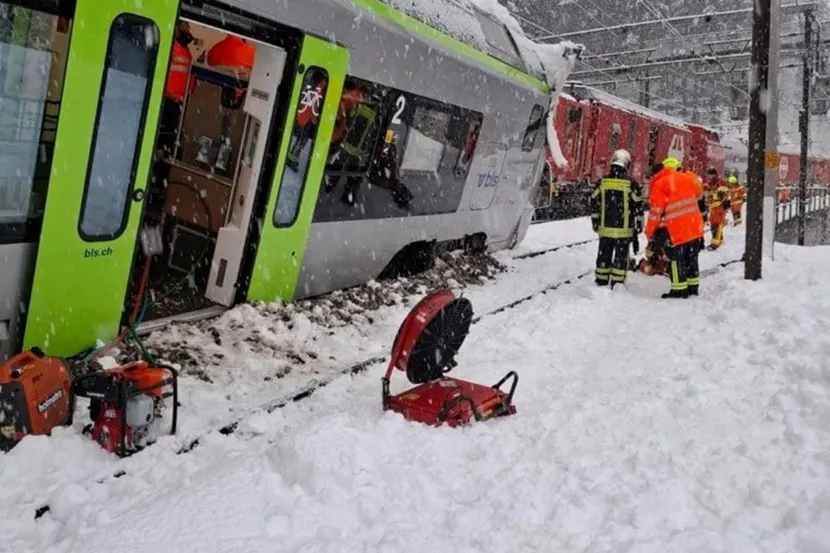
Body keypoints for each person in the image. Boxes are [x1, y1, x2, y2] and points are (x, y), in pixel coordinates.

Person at [645, 157, 705, 298]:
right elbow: (699, 194)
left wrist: (649, 231)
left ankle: (678, 290)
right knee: (692, 258)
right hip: (694, 225)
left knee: (676, 259)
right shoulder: (688, 178)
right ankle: (693, 288)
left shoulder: (660, 183)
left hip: (676, 228)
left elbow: (656, 211)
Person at [589, 149, 644, 288]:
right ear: (626, 165)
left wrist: (595, 221)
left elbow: (593, 202)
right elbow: (638, 207)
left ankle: (601, 280)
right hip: (624, 232)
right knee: (620, 257)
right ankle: (617, 283)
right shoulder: (631, 184)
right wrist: (638, 226)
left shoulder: (602, 182)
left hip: (605, 229)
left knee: (604, 255)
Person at [704, 167, 731, 250]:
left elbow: (726, 194)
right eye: (708, 175)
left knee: (716, 225)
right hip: (713, 207)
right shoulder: (710, 184)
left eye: (710, 175)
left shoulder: (720, 183)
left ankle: (714, 244)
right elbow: (709, 194)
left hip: (719, 207)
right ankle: (720, 240)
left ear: (714, 175)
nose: (709, 177)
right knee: (714, 224)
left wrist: (722, 201)